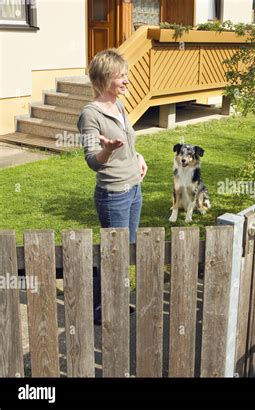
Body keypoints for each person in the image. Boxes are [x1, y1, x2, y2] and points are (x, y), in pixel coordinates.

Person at [77, 48, 148, 324]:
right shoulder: (90, 115)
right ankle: (101, 308)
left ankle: (113, 301)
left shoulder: (119, 106)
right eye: (122, 76)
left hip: (133, 190)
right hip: (113, 195)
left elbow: (128, 141)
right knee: (113, 252)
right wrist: (106, 150)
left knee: (124, 250)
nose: (127, 80)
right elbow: (93, 161)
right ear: (106, 79)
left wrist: (138, 157)